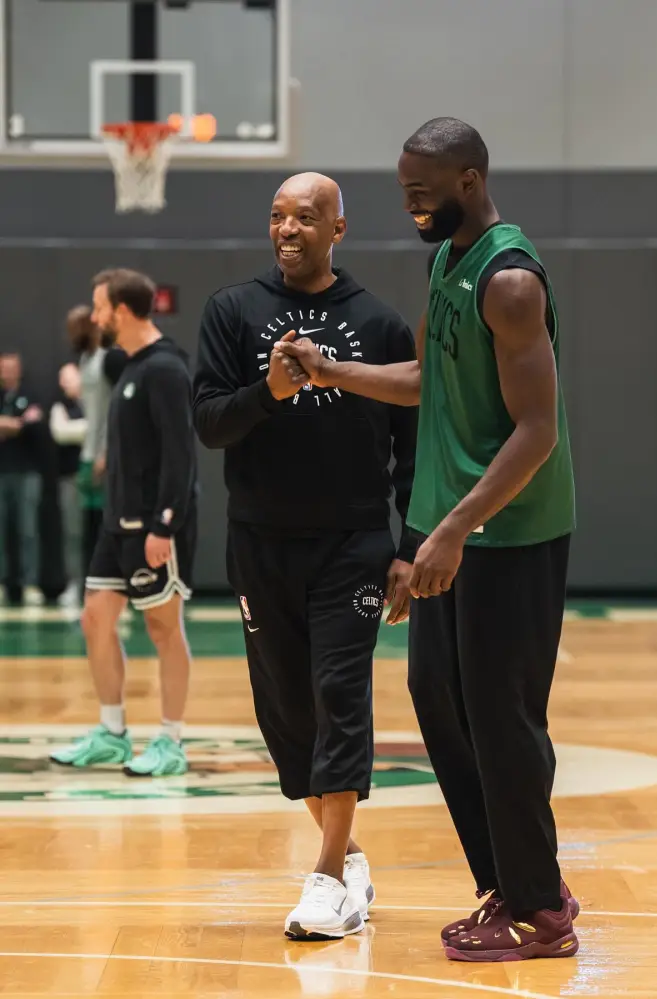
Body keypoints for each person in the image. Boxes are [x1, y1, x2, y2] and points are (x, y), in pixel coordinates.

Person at [273, 119, 580, 963]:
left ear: (470, 179)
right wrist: (336, 373)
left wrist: (449, 530)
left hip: (509, 532)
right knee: (438, 698)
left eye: (423, 191)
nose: (409, 205)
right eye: (402, 190)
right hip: (457, 531)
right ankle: (518, 883)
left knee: (503, 719)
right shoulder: (448, 259)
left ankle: (540, 912)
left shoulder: (510, 281)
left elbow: (536, 430)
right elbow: (429, 382)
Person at [192, 172, 417, 942]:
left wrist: (411, 547)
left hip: (353, 546)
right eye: (279, 216)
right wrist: (271, 391)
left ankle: (324, 878)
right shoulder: (232, 312)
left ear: (338, 229)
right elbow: (211, 424)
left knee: (338, 694)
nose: (289, 229)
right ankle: (348, 856)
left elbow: (411, 446)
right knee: (287, 711)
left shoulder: (380, 324)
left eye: (307, 218)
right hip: (259, 543)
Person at [50, 269, 197, 778]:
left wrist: (165, 524)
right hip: (117, 524)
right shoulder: (129, 366)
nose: (94, 318)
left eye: (99, 307)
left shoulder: (166, 370)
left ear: (124, 311)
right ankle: (112, 733)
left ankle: (171, 741)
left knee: (163, 627)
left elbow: (182, 456)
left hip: (155, 526)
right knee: (96, 618)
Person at [65, 304, 127, 583]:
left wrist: (108, 452)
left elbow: (119, 409)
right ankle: (92, 585)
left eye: (77, 326)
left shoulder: (109, 359)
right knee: (86, 526)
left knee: (109, 524)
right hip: (88, 452)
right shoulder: (84, 360)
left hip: (106, 453)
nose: (72, 333)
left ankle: (118, 586)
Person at [0, 351, 45, 606]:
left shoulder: (31, 395)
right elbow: (21, 423)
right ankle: (4, 583)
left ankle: (30, 584)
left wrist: (11, 425)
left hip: (27, 472)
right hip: (1, 472)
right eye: (3, 368)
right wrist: (16, 423)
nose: (7, 372)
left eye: (11, 367)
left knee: (28, 530)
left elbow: (34, 425)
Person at [49, 362, 88, 607]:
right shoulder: (60, 406)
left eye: (70, 378)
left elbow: (104, 428)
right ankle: (75, 583)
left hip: (97, 478)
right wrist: (88, 428)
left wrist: (87, 429)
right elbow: (60, 432)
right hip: (70, 478)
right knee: (73, 534)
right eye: (62, 379)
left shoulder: (95, 402)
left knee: (101, 532)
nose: (65, 384)